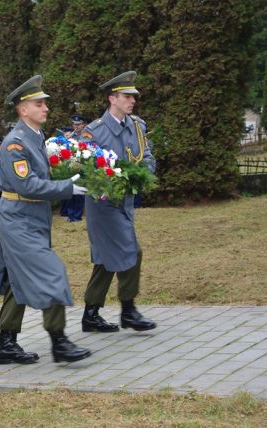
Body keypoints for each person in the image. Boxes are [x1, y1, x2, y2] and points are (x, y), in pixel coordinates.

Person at [0, 75, 91, 364]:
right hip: (19, 218)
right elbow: (26, 185)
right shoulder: (14, 144)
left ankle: (6, 345)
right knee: (52, 272)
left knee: (18, 277)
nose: (46, 108)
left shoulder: (36, 137)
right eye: (39, 104)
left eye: (45, 103)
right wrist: (66, 188)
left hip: (33, 217)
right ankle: (59, 341)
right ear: (23, 109)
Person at [80, 70, 157, 333]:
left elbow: (146, 155)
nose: (132, 100)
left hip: (126, 202)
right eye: (126, 96)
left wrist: (143, 175)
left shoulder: (137, 125)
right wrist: (113, 181)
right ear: (112, 99)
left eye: (133, 96)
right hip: (103, 204)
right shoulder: (93, 132)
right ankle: (128, 310)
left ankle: (90, 314)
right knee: (131, 250)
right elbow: (86, 171)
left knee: (107, 257)